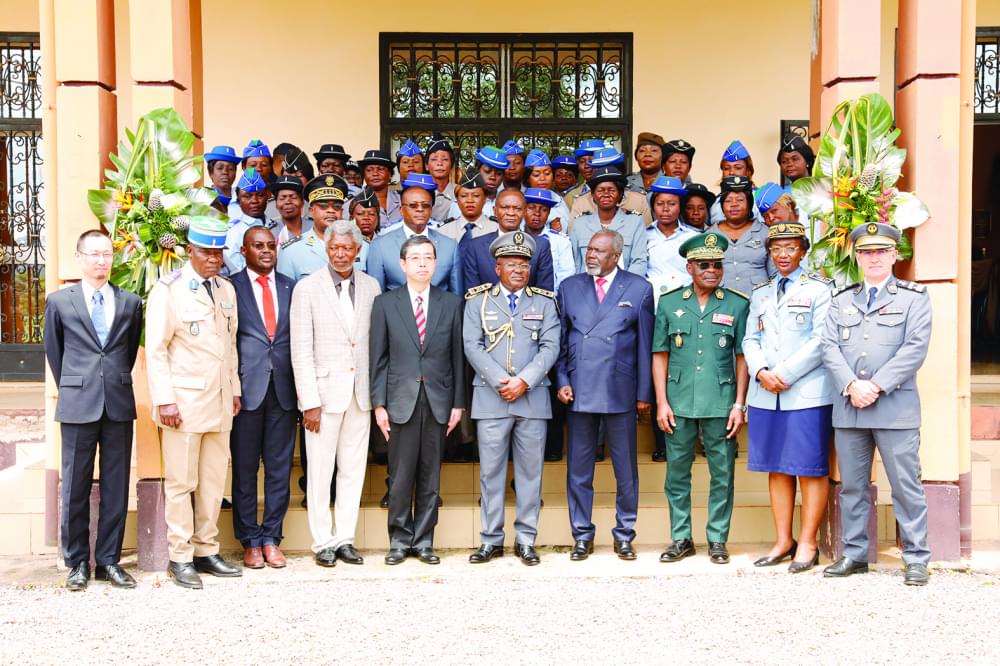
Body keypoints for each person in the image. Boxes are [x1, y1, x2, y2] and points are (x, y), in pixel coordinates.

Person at [821, 222, 932, 586]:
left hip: (895, 408)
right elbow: (829, 348)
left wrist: (876, 385)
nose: (874, 258)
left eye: (881, 251)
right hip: (850, 407)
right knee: (852, 486)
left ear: (894, 255)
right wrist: (852, 384)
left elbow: (915, 348)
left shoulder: (913, 298)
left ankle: (916, 557)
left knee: (905, 485)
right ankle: (855, 553)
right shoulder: (841, 298)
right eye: (867, 252)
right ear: (856, 255)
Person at [145, 216, 243, 589]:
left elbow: (229, 346)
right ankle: (180, 555)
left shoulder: (225, 290)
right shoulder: (168, 290)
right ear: (190, 251)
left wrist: (234, 388)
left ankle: (206, 548)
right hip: (183, 405)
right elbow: (156, 351)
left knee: (213, 481)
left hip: (219, 401)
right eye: (206, 252)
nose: (214, 259)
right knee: (181, 482)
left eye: (219, 252)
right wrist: (164, 400)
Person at [44, 229, 143, 591]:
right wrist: (76, 384)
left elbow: (127, 353)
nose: (101, 261)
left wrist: (109, 381)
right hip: (76, 403)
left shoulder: (131, 302)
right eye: (94, 254)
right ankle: (77, 562)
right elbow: (55, 354)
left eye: (107, 254)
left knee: (117, 485)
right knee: (75, 486)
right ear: (80, 257)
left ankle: (109, 561)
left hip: (117, 402)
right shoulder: (59, 301)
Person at [556, 230, 654, 561]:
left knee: (625, 469)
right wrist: (561, 379)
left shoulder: (639, 288)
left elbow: (644, 344)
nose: (591, 255)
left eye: (599, 251)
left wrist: (643, 394)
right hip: (579, 389)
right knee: (579, 469)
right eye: (589, 249)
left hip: (619, 390)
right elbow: (561, 341)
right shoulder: (569, 287)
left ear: (616, 256)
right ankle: (581, 534)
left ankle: (624, 533)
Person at [652, 231, 749, 565]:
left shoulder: (738, 304)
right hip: (678, 401)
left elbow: (741, 357)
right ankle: (681, 537)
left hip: (720, 401)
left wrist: (739, 403)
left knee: (722, 473)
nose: (712, 270)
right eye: (704, 264)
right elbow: (659, 353)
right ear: (689, 267)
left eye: (717, 264)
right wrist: (661, 402)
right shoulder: (669, 302)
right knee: (677, 473)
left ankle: (718, 538)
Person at [463, 231, 560, 566]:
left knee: (530, 474)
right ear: (497, 267)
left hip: (532, 399)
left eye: (523, 264)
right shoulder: (477, 301)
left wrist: (524, 381)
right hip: (491, 398)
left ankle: (526, 539)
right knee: (490, 474)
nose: (518, 270)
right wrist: (501, 381)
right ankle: (490, 540)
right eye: (511, 264)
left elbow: (551, 347)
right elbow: (471, 345)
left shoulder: (545, 302)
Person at [742, 222, 834, 573]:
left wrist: (786, 374)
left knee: (810, 468)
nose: (782, 255)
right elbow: (750, 339)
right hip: (766, 393)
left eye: (790, 248)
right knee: (777, 468)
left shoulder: (820, 289)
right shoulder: (762, 292)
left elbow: (822, 340)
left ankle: (808, 542)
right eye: (776, 248)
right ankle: (783, 540)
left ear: (803, 251)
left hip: (806, 393)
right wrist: (762, 370)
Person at [370, 235, 465, 565]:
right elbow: (378, 357)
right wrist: (378, 404)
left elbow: (457, 358)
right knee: (400, 475)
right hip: (399, 400)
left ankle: (424, 540)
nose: (422, 263)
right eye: (416, 258)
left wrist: (458, 404)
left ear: (436, 264)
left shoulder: (452, 304)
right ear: (403, 264)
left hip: (438, 401)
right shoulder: (385, 304)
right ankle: (398, 539)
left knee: (430, 475)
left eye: (428, 257)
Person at [291, 219, 381, 567]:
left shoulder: (371, 286)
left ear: (358, 251)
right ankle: (322, 541)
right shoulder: (308, 288)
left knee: (353, 469)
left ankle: (345, 537)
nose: (341, 254)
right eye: (334, 248)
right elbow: (300, 349)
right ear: (326, 250)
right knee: (320, 470)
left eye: (347, 248)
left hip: (360, 395)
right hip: (323, 397)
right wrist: (309, 402)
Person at [229, 227, 298, 570]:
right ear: (244, 251)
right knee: (244, 470)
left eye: (271, 246)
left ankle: (271, 537)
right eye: (259, 246)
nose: (267, 251)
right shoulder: (231, 287)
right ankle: (249, 540)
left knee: (278, 469)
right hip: (246, 392)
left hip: (284, 391)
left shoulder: (290, 286)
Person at [645, 176, 699, 463]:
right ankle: (661, 442)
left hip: (685, 312)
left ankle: (687, 438)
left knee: (683, 372)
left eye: (672, 204)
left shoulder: (691, 236)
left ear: (680, 206)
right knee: (660, 374)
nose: (666, 209)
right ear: (653, 206)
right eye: (660, 203)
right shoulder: (644, 236)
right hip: (653, 312)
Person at [366, 185, 461, 293]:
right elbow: (377, 295)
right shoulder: (379, 246)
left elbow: (456, 298)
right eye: (413, 205)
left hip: (441, 308)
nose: (420, 209)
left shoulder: (450, 246)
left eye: (425, 205)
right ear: (401, 210)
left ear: (431, 210)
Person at [462, 189, 554, 293]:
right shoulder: (476, 246)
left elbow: (544, 293)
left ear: (524, 212)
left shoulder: (541, 245)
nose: (511, 213)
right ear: (495, 211)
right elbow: (472, 294)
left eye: (517, 209)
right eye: (505, 207)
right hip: (486, 308)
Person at [278, 174, 361, 280]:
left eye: (336, 206)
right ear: (311, 211)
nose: (330, 210)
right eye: (323, 206)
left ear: (341, 211)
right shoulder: (291, 251)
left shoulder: (360, 246)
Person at [569, 166, 648, 275]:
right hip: (587, 287)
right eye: (600, 190)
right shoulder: (580, 223)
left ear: (620, 194)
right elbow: (575, 263)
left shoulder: (635, 222)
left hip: (624, 288)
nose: (606, 194)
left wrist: (626, 288)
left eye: (612, 190)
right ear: (593, 195)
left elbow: (639, 261)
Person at [706, 175, 772, 291]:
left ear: (750, 205)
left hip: (759, 301)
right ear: (721, 206)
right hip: (721, 303)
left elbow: (775, 274)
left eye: (740, 200)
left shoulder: (766, 233)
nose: (734, 204)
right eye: (728, 201)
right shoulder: (709, 235)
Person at [570, 148, 652, 227]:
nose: (606, 172)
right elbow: (574, 236)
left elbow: (646, 234)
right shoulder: (581, 202)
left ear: (620, 170)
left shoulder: (638, 200)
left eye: (610, 167)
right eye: (600, 169)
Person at [224, 167, 281, 274]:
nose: (254, 201)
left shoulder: (277, 226)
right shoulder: (234, 233)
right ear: (238, 200)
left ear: (267, 196)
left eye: (259, 195)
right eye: (247, 196)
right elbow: (236, 271)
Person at [523, 187, 575, 289]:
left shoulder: (561, 242)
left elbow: (566, 277)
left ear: (549, 212)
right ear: (523, 209)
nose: (537, 213)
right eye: (531, 207)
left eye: (544, 210)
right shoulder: (514, 238)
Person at [436, 169, 498, 244]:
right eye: (464, 196)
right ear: (457, 200)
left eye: (476, 196)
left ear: (485, 199)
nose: (470, 200)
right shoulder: (444, 231)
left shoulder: (497, 229)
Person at [709, 140, 763, 225]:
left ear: (749, 171)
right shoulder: (715, 202)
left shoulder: (760, 197)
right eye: (726, 168)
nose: (731, 172)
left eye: (737, 168)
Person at [522, 150, 572, 230]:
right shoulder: (520, 200)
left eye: (547, 173)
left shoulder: (559, 201)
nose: (542, 178)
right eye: (536, 174)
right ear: (527, 178)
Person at [357, 149, 401, 229]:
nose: (375, 174)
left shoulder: (402, 200)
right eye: (369, 170)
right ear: (364, 175)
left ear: (390, 174)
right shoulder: (353, 203)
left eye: (380, 169)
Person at [270, 175, 312, 246]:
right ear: (276, 204)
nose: (288, 202)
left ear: (302, 202)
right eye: (282, 198)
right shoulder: (269, 232)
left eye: (293, 197)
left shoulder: (314, 226)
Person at [426, 134, 458, 223]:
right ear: (426, 165)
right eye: (434, 159)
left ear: (451, 165)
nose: (439, 163)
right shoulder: (420, 193)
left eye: (445, 159)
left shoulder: (460, 192)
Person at [472, 145, 508, 219]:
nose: (493, 177)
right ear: (477, 171)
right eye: (487, 171)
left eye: (499, 173)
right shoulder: (461, 203)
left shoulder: (508, 202)